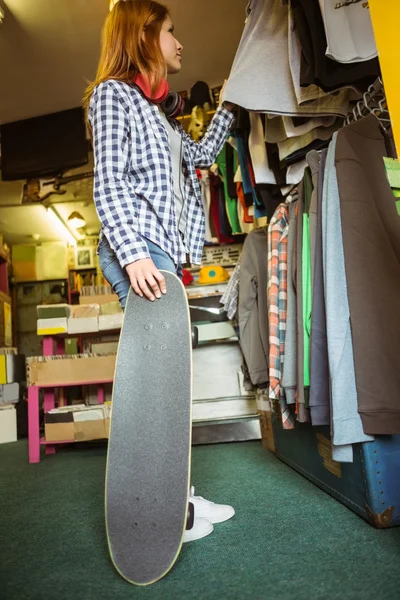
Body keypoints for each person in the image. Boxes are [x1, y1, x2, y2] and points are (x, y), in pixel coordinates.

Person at [83, 0, 236, 542]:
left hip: (160, 249)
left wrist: (232, 104)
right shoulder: (112, 96)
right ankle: (163, 514)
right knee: (157, 384)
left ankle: (178, 499)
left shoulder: (159, 116)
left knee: (168, 381)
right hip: (141, 248)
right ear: (145, 37)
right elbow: (109, 182)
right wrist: (134, 253)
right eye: (171, 33)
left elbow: (202, 157)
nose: (180, 43)